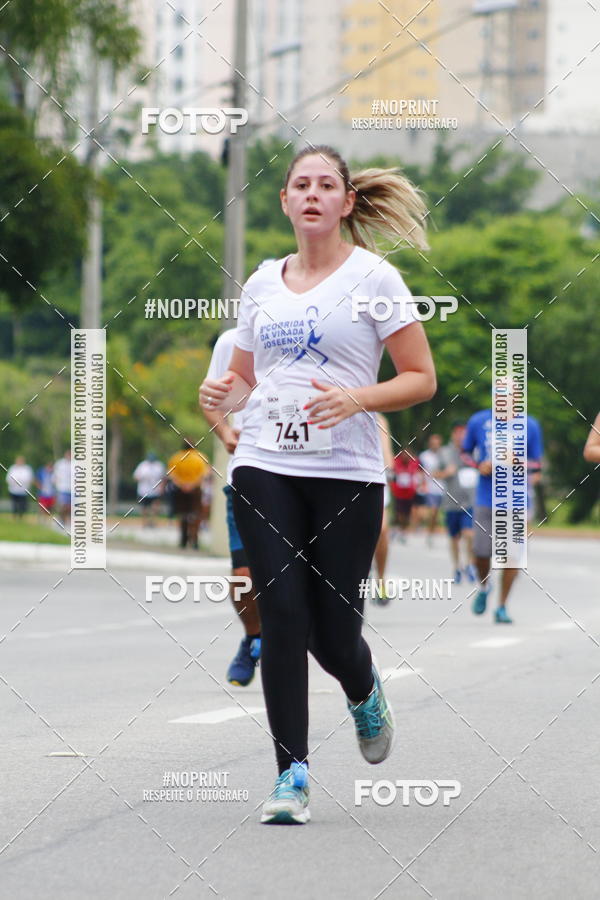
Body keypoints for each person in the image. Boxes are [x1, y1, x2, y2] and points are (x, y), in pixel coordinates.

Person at [200, 144, 436, 825]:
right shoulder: (261, 285)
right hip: (265, 463)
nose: (311, 194)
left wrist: (357, 399)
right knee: (283, 616)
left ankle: (363, 692)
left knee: (335, 636)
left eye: (325, 184)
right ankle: (292, 775)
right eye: (300, 184)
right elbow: (242, 380)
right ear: (284, 201)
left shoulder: (376, 279)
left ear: (345, 201)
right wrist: (219, 392)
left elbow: (420, 378)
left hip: (347, 473)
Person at [201, 327, 262, 687]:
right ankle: (254, 636)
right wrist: (225, 433)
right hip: (249, 474)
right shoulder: (232, 341)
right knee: (243, 577)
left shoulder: (316, 334)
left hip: (306, 476)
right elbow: (212, 401)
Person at [462, 406, 543, 624]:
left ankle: (502, 606)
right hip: (486, 498)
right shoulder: (478, 420)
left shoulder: (530, 424)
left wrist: (517, 463)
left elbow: (537, 463)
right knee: (480, 552)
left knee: (512, 556)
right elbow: (465, 453)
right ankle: (484, 586)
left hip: (516, 500)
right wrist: (480, 465)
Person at [435, 423, 477, 584]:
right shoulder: (444, 452)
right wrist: (446, 472)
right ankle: (457, 567)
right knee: (454, 538)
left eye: (464, 433)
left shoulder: (475, 451)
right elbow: (434, 473)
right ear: (453, 434)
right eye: (458, 433)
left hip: (470, 502)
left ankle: (470, 565)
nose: (461, 437)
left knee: (469, 534)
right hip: (451, 502)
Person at [167, 440, 209, 549]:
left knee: (183, 515)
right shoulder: (200, 457)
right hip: (196, 489)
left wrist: (183, 485)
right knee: (196, 514)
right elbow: (204, 475)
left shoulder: (176, 457)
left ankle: (183, 541)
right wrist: (192, 485)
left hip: (180, 490)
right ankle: (195, 541)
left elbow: (171, 475)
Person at [371, 413, 395, 605]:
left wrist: (390, 466)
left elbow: (387, 454)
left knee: (382, 530)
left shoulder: (378, 418)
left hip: (373, 475)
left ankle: (381, 581)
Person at [419, 433, 444, 545]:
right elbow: (420, 471)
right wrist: (422, 484)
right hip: (430, 488)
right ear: (430, 443)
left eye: (437, 443)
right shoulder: (424, 456)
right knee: (432, 511)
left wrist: (440, 474)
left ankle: (431, 531)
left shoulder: (444, 455)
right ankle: (429, 533)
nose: (435, 445)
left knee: (436, 513)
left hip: (442, 488)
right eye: (433, 443)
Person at [391, 448, 420, 541]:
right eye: (404, 455)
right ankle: (398, 528)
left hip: (409, 493)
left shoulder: (414, 463)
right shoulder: (396, 462)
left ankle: (403, 530)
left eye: (408, 455)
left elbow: (419, 473)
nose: (406, 457)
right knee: (399, 512)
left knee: (407, 514)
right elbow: (392, 473)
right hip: (398, 493)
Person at [133, 452, 165, 527]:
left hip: (155, 491)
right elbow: (135, 477)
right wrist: (142, 478)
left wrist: (162, 487)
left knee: (155, 507)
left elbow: (163, 478)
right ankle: (144, 523)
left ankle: (153, 521)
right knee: (144, 508)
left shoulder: (159, 466)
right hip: (143, 491)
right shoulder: (142, 465)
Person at [53, 450, 72, 528]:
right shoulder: (60, 464)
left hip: (72, 489)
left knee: (69, 506)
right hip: (62, 488)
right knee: (63, 505)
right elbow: (55, 475)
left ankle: (67, 519)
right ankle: (62, 519)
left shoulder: (75, 464)